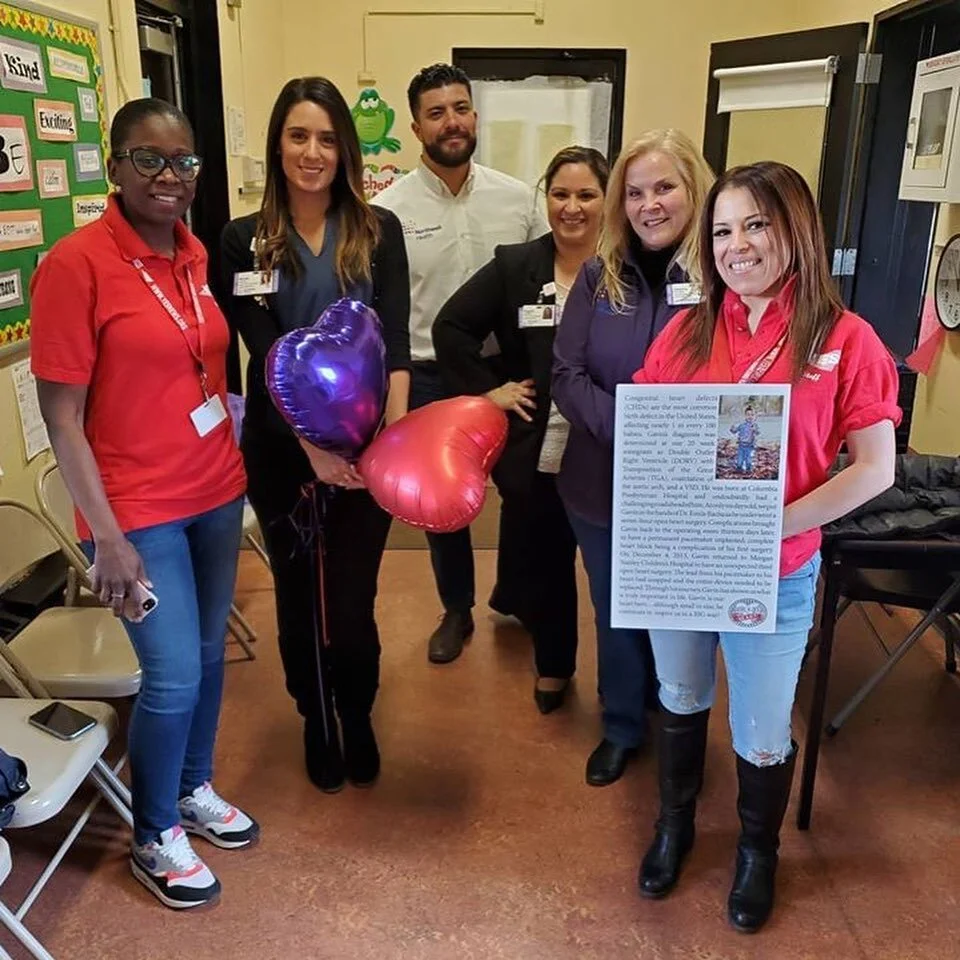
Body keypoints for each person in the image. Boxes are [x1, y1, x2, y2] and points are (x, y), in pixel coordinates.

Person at [632, 161, 899, 932]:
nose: (736, 245)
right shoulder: (687, 331)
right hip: (683, 567)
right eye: (721, 230)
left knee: (761, 727)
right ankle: (675, 826)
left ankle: (757, 851)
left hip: (774, 569)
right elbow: (654, 440)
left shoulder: (848, 340)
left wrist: (767, 525)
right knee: (680, 699)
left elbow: (874, 472)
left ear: (796, 230)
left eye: (756, 224)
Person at [30, 98, 257, 910]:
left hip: (216, 491)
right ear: (115, 163)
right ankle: (155, 834)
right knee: (167, 680)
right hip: (138, 513)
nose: (170, 176)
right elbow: (62, 418)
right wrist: (108, 539)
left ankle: (193, 789)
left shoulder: (194, 254)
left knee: (204, 661)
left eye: (184, 161)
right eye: (150, 159)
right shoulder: (76, 264)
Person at [218, 78, 410, 794]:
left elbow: (395, 340)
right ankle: (314, 717)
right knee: (299, 595)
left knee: (354, 598)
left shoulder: (379, 231)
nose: (313, 151)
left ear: (346, 149)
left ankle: (356, 713)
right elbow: (265, 351)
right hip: (281, 453)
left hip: (365, 454)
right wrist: (313, 452)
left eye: (328, 138)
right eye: (299, 135)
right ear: (277, 143)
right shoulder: (243, 240)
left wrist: (384, 441)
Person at [551, 130, 715, 786]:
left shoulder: (721, 278)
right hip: (600, 481)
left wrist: (669, 443)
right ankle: (622, 723)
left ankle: (676, 719)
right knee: (617, 609)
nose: (650, 204)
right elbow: (565, 373)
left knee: (678, 612)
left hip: (687, 491)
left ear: (694, 191)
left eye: (665, 187)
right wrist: (630, 428)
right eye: (636, 191)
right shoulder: (598, 275)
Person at [376, 62, 548, 665]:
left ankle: (515, 592)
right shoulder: (387, 211)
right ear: (416, 126)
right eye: (436, 112)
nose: (452, 121)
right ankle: (457, 608)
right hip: (430, 377)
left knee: (523, 493)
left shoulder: (521, 199)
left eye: (461, 107)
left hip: (509, 372)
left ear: (474, 114)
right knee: (444, 507)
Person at [434, 146, 609, 713]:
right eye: (560, 194)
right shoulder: (517, 266)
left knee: (612, 575)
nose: (572, 207)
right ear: (545, 199)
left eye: (586, 194)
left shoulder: (627, 269)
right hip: (537, 447)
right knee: (549, 561)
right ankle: (554, 667)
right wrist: (491, 389)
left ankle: (627, 687)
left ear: (607, 202)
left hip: (607, 448)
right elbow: (452, 327)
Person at [731, 404, 760, 473]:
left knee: (748, 460)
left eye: (752, 415)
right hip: (741, 446)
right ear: (745, 416)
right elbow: (734, 431)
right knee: (739, 460)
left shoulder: (754, 425)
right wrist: (732, 428)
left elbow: (757, 432)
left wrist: (754, 430)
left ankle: (748, 469)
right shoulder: (742, 425)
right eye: (748, 415)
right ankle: (739, 468)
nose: (750, 416)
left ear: (754, 416)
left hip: (749, 446)